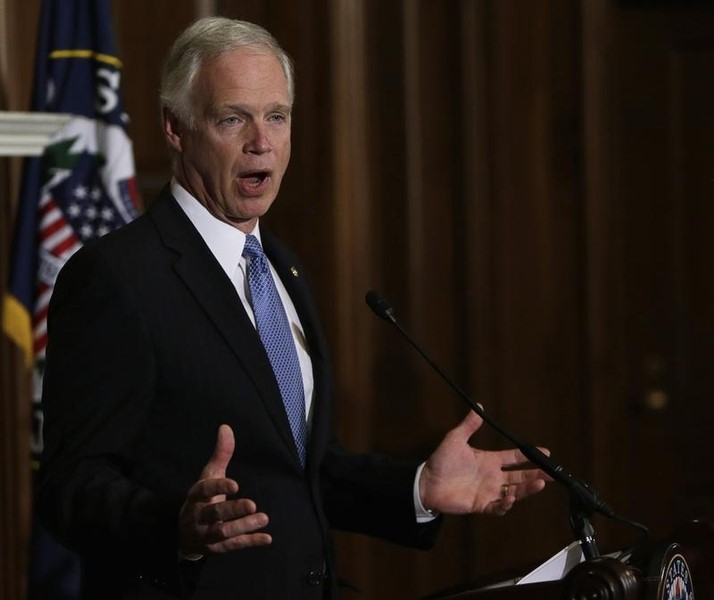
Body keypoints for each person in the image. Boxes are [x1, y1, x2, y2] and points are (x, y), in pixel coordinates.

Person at [37, 17, 549, 599]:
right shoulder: (118, 277)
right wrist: (176, 527)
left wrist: (418, 487)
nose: (262, 141)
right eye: (233, 119)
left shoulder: (281, 265)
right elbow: (70, 485)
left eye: (276, 116)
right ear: (176, 128)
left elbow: (300, 468)